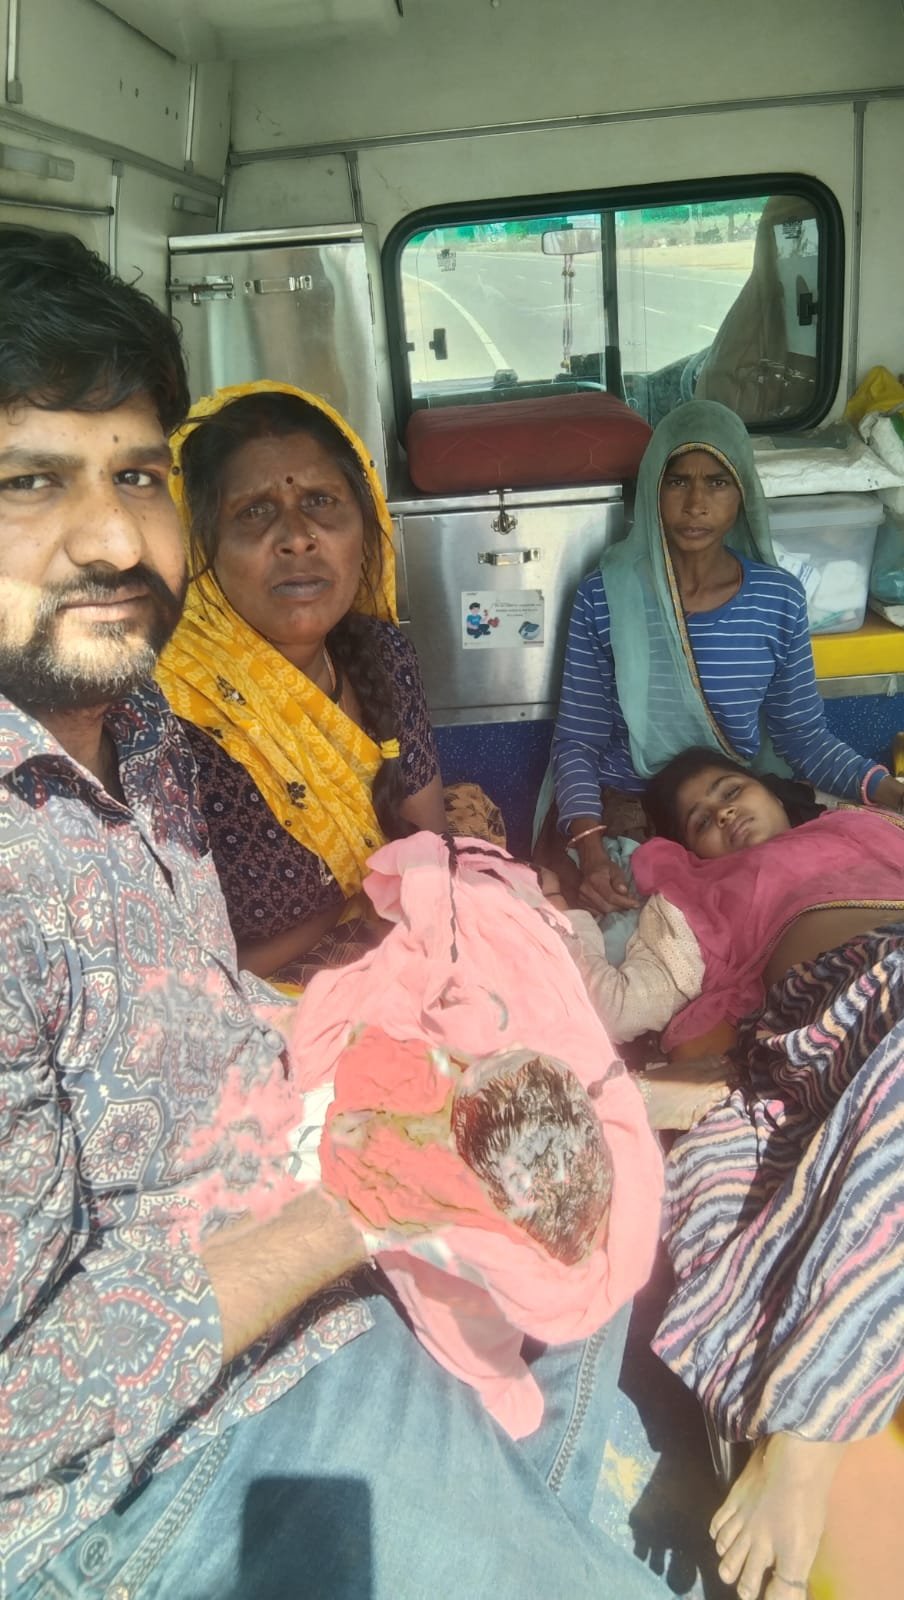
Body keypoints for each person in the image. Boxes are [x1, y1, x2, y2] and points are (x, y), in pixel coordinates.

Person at [0, 228, 669, 1600]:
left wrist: (412, 1088)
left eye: (137, 475)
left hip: (290, 1236)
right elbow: (24, 1418)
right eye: (30, 480)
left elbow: (199, 1003)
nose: (112, 537)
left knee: (597, 1242)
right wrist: (359, 1202)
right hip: (156, 1462)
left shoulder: (139, 738)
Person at [549, 747, 904, 1600]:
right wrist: (559, 909)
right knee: (720, 1182)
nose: (724, 815)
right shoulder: (702, 897)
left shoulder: (873, 829)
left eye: (731, 791)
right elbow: (615, 1003)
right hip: (844, 1001)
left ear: (774, 792)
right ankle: (812, 1418)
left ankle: (812, 1410)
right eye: (702, 820)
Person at [157, 381, 502, 987]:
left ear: (364, 527)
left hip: (403, 959)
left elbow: (428, 848)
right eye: (254, 511)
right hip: (257, 1012)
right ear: (200, 544)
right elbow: (179, 974)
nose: (297, 536)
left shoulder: (383, 656)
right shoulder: (170, 717)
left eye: (320, 501)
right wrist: (353, 904)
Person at [548, 398, 904, 915]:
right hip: (629, 809)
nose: (696, 503)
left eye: (717, 482)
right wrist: (591, 850)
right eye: (677, 481)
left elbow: (803, 738)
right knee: (640, 927)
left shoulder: (776, 599)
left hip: (727, 808)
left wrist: (890, 793)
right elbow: (579, 741)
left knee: (806, 905)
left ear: (743, 493)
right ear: (652, 489)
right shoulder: (606, 597)